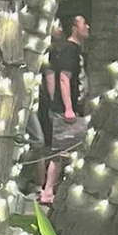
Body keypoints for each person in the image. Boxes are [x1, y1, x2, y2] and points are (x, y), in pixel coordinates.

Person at [43, 13, 89, 206]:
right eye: (83, 24)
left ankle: (53, 190)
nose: (87, 27)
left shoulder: (76, 50)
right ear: (74, 29)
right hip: (65, 110)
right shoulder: (69, 50)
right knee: (63, 153)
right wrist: (68, 108)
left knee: (65, 153)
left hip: (73, 108)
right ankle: (48, 191)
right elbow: (63, 78)